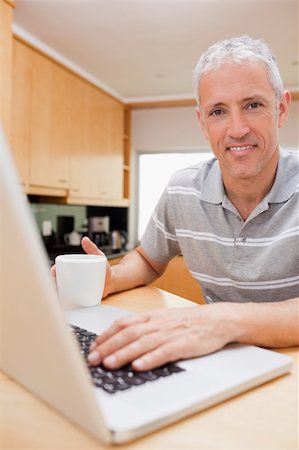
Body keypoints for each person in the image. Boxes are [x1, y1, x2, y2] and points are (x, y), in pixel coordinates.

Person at [58, 35, 299, 371]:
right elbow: (147, 258)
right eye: (218, 111)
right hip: (214, 360)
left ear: (281, 109)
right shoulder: (182, 189)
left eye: (253, 105)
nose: (237, 129)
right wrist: (113, 277)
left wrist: (222, 320)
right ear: (203, 123)